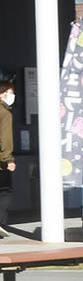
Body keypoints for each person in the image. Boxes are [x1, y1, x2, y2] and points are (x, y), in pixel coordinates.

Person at [0, 73, 16, 238]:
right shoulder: (4, 112)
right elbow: (5, 138)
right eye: (10, 93)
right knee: (5, 192)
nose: (12, 96)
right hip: (0, 162)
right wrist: (8, 159)